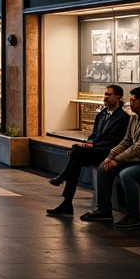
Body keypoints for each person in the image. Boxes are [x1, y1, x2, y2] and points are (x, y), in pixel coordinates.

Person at [80, 86, 140, 228]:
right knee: (103, 167)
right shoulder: (134, 119)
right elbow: (126, 141)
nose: (130, 104)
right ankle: (104, 209)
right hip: (139, 160)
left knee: (127, 175)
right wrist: (110, 157)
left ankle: (133, 215)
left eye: (133, 101)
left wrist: (117, 160)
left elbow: (139, 149)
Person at [46, 85, 128, 216]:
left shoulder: (123, 117)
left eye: (109, 95)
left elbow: (114, 140)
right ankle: (67, 202)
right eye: (105, 94)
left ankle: (63, 183)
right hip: (96, 150)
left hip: (109, 152)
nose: (105, 97)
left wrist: (91, 146)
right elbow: (94, 135)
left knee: (77, 153)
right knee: (76, 155)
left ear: (118, 97)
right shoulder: (101, 115)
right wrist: (87, 144)